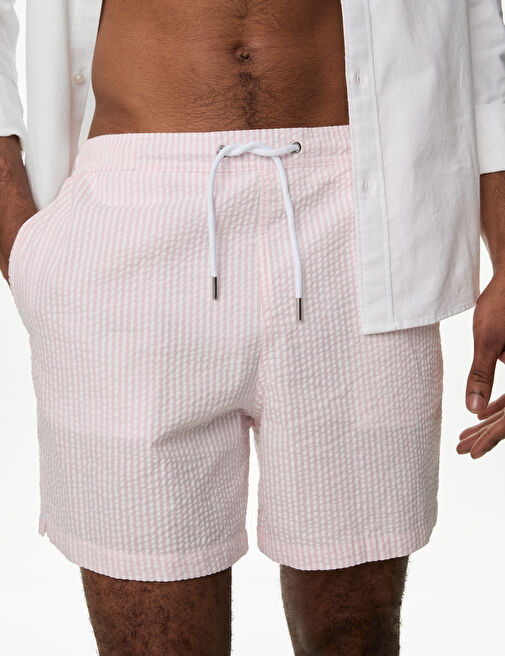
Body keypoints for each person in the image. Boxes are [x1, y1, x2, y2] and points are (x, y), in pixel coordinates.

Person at [1, 1, 505, 654]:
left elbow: (479, 18)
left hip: (361, 219)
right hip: (128, 220)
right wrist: (17, 232)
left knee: (355, 640)